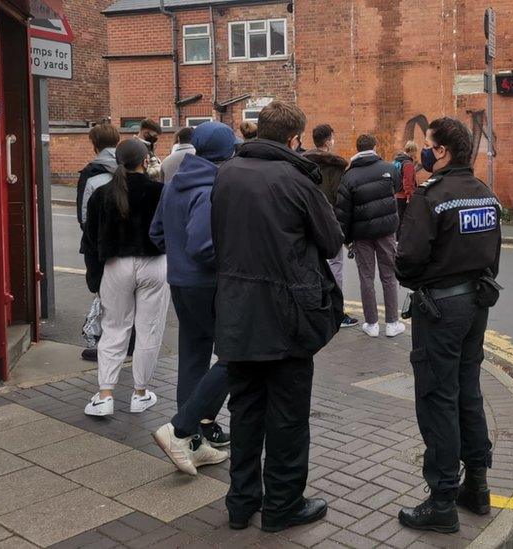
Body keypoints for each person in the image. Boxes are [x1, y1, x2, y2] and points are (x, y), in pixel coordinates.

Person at [211, 100, 344, 532]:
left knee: (245, 412)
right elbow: (331, 241)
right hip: (286, 314)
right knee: (287, 416)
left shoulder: (226, 172)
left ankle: (241, 502)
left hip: (235, 311)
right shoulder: (297, 179)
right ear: (293, 139)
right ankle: (284, 505)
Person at [395, 117, 502, 533]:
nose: (423, 151)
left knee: (438, 398)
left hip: (439, 310)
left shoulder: (430, 197)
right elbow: (493, 258)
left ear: (441, 152)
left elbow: (407, 260)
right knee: (467, 393)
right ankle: (477, 485)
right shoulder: (486, 195)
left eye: (427, 145)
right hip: (476, 304)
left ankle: (441, 500)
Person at [150, 122, 238, 474]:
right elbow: (204, 246)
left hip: (180, 282)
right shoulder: (211, 186)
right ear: (225, 152)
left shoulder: (174, 184)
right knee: (236, 353)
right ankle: (182, 428)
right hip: (208, 285)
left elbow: (156, 235)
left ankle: (195, 442)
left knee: (193, 355)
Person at [82, 138, 169, 417]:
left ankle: (105, 394)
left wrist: (94, 279)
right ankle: (140, 393)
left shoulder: (102, 194)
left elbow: (91, 243)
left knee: (114, 328)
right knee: (149, 329)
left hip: (115, 266)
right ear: (145, 161)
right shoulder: (159, 192)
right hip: (154, 264)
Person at [336, 134, 403, 338]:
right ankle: (392, 323)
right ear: (374, 146)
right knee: (389, 276)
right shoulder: (389, 168)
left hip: (361, 234)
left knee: (366, 277)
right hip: (386, 231)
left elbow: (343, 211)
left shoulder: (348, 176)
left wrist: (345, 238)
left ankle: (372, 324)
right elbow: (398, 188)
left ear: (357, 148)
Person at [303, 124, 360, 328]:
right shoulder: (336, 167)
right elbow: (340, 199)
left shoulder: (302, 163)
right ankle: (336, 312)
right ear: (328, 141)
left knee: (311, 265)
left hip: (306, 221)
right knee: (335, 266)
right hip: (329, 221)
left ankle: (313, 309)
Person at [75, 122, 121, 363]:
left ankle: (101, 340)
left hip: (99, 246)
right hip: (128, 246)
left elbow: (83, 216)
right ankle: (125, 342)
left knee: (102, 291)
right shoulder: (130, 167)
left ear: (95, 144)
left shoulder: (91, 174)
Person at [393, 141, 419, 225]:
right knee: (406, 220)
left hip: (397, 194)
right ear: (413, 151)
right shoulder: (408, 164)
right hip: (404, 196)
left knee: (399, 219)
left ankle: (398, 237)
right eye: (415, 151)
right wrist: (409, 196)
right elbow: (407, 181)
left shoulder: (397, 161)